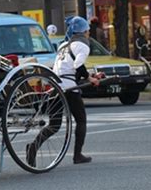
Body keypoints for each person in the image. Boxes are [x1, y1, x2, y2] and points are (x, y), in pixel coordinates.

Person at [26, 16, 100, 166]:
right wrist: (90, 78)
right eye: (87, 30)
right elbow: (78, 65)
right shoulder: (83, 45)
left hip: (56, 85)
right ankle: (77, 155)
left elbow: (67, 67)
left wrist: (89, 76)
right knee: (81, 120)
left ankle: (33, 147)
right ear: (84, 31)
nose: (88, 33)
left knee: (54, 124)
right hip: (68, 87)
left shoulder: (63, 45)